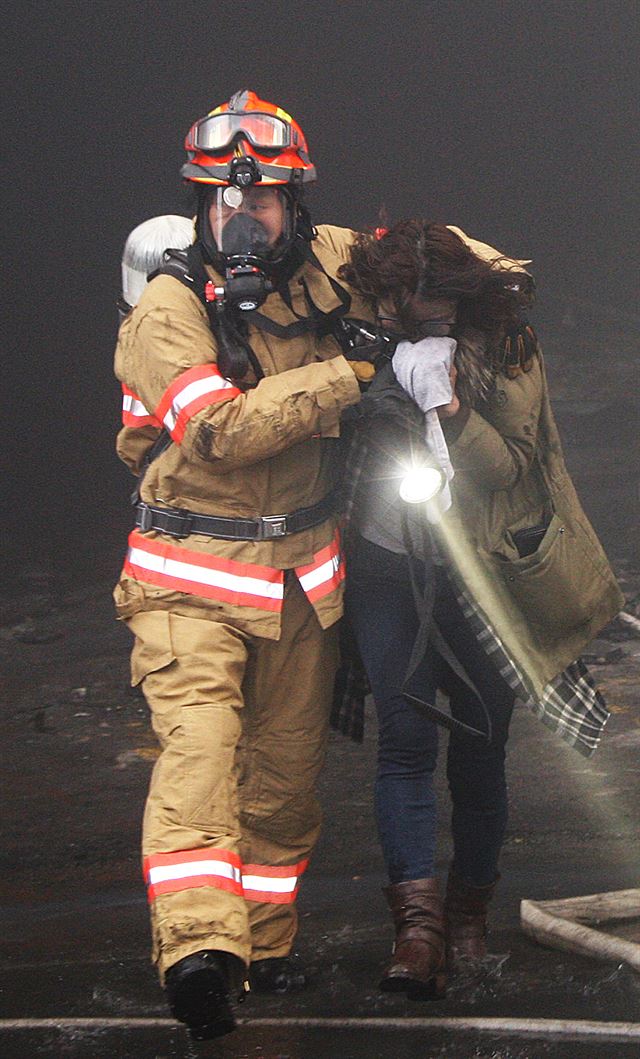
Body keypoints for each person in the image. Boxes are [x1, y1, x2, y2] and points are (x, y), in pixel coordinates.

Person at [112, 90, 374, 1040]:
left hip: (302, 579)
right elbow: (219, 429)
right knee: (201, 762)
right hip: (189, 580)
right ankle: (196, 954)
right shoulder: (165, 313)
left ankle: (258, 950)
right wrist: (353, 373)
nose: (242, 215)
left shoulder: (327, 263)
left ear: (293, 205)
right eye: (224, 199)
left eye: (260, 201)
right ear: (200, 205)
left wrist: (463, 280)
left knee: (284, 780)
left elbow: (424, 255)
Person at [336, 220, 623, 999]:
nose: (412, 317)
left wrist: (452, 407)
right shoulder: (356, 339)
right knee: (403, 736)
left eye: (429, 305)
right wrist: (371, 378)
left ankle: (468, 913)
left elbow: (508, 468)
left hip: (484, 568)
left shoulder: (509, 351)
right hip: (387, 560)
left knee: (481, 738)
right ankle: (418, 932)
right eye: (398, 304)